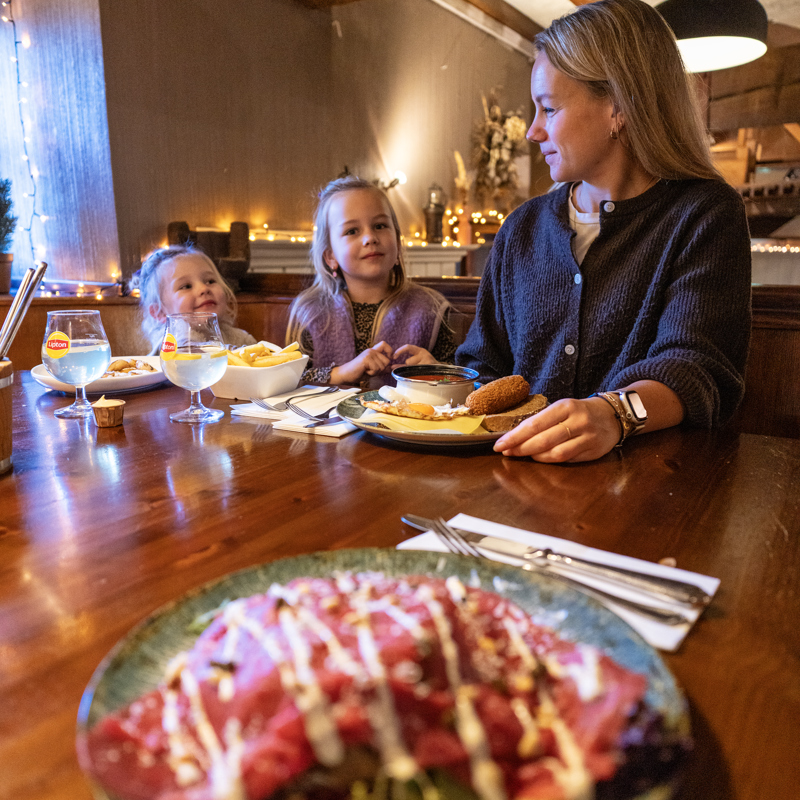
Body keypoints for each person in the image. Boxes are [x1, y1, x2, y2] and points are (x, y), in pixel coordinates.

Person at [455, 0, 751, 464]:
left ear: (618, 104)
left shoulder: (704, 214)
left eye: (548, 109)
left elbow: (697, 367)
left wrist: (616, 412)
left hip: (647, 493)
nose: (532, 132)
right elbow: (482, 364)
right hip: (512, 485)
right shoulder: (521, 228)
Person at [287, 176, 454, 387]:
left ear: (398, 244)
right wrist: (343, 373)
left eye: (380, 225)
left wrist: (435, 370)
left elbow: (461, 384)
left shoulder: (430, 309)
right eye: (352, 231)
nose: (370, 238)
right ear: (330, 256)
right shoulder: (311, 311)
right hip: (324, 420)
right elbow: (290, 380)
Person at [133, 244, 256, 354]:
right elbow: (189, 351)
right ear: (159, 312)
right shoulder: (170, 343)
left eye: (210, 281)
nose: (204, 288)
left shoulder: (242, 339)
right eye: (186, 286)